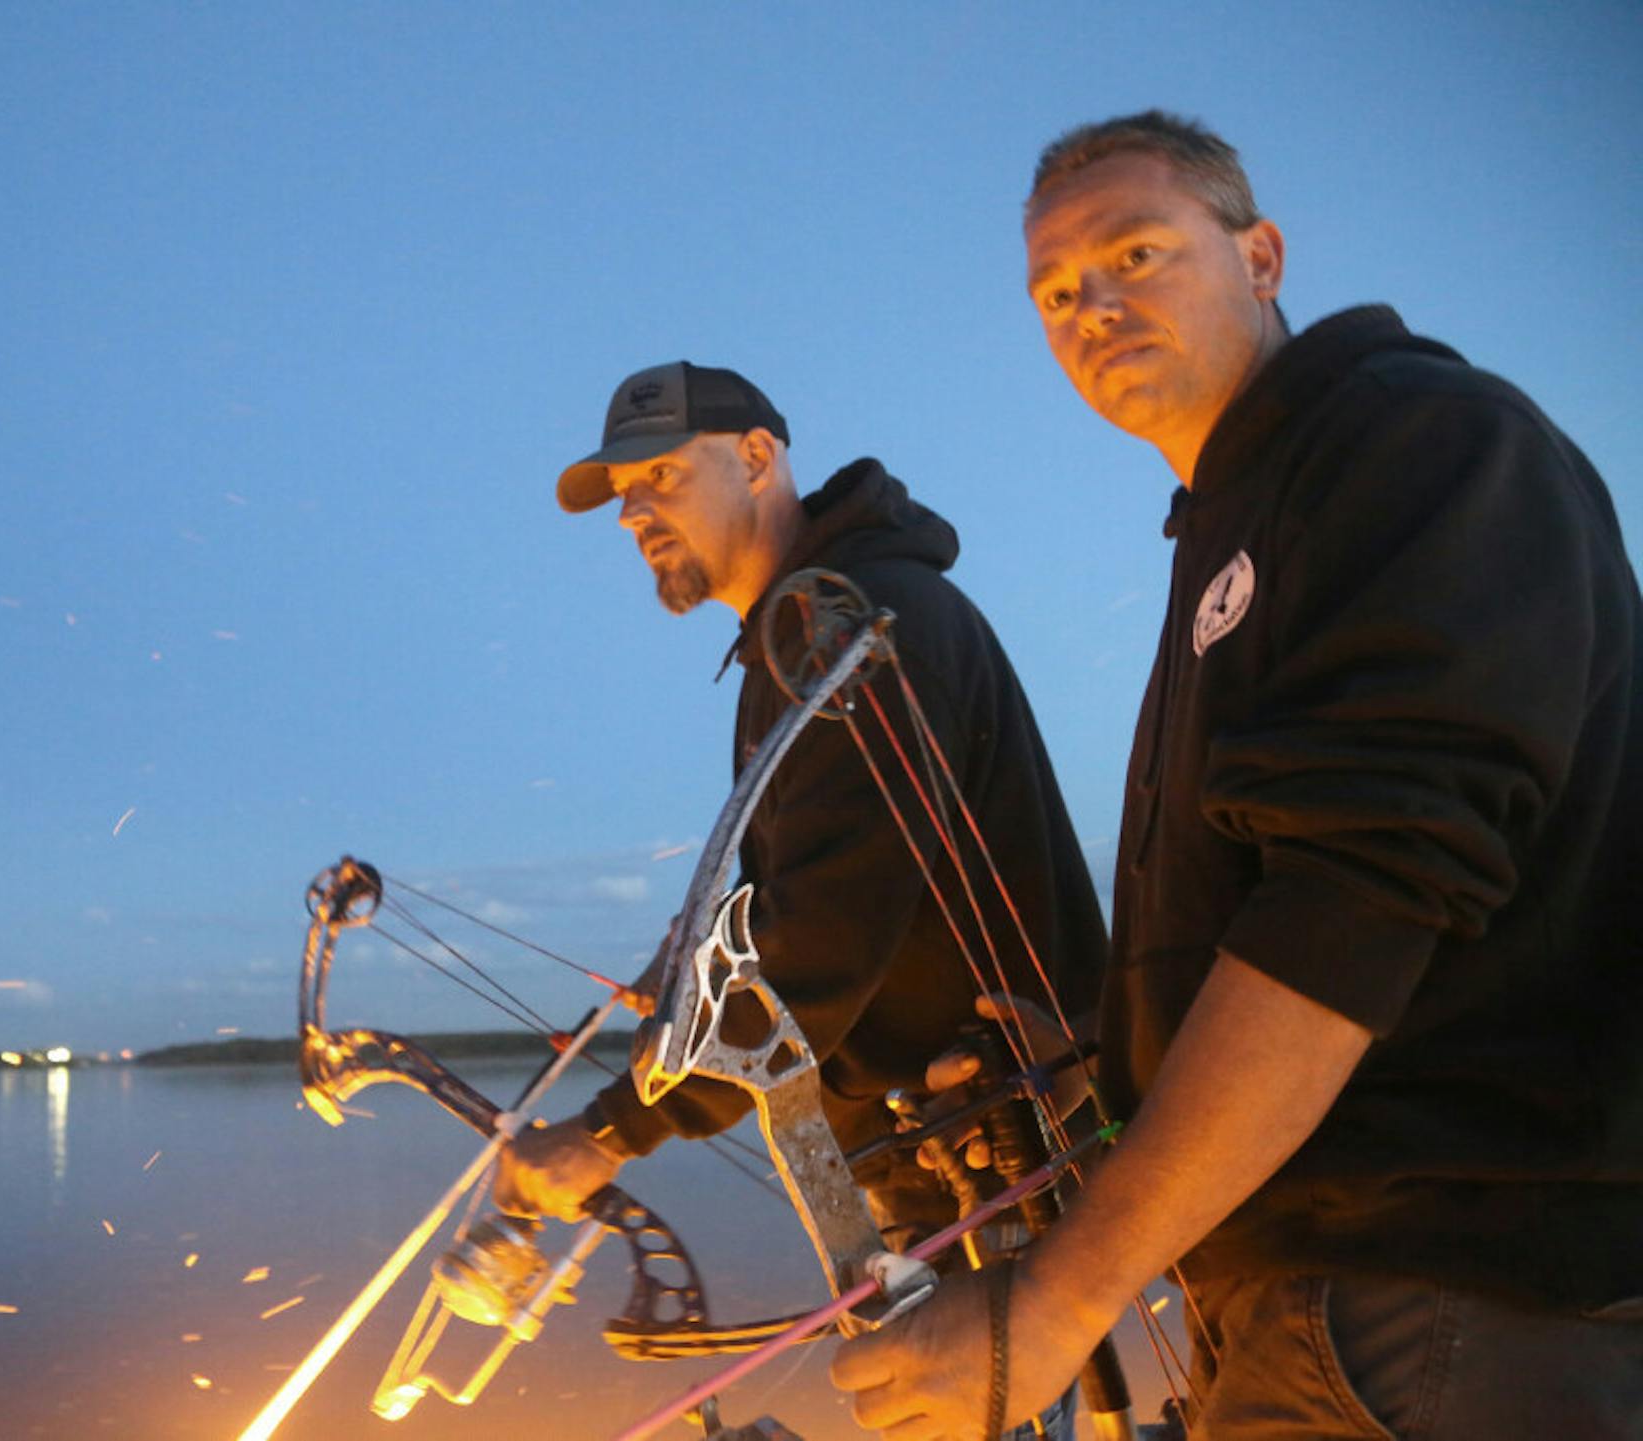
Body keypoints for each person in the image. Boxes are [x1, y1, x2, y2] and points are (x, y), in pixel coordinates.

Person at [831, 110, 1643, 1438]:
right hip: (1307, 1305)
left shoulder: (1418, 444)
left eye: (1138, 252)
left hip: (1444, 1308)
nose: (1093, 303)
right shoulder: (1236, 524)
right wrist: (1111, 1068)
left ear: (1260, 256)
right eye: (1056, 291)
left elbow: (1364, 894)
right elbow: (1293, 895)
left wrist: (1060, 1296)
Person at [494, 360, 1108, 1261]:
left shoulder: (853, 628)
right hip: (922, 1140)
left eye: (661, 474)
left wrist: (609, 1132)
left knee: (996, 1402)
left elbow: (824, 934)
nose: (632, 514)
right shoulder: (794, 639)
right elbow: (806, 895)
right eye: (625, 491)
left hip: (998, 1139)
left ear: (755, 457)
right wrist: (697, 968)